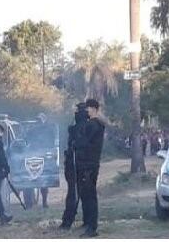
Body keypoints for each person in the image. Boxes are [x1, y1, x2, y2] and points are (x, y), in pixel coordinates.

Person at [74, 99, 105, 238]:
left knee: (90, 196)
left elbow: (83, 142)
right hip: (86, 163)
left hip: (89, 165)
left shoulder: (94, 125)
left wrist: (79, 131)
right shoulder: (92, 124)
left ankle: (92, 228)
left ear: (93, 109)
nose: (85, 111)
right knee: (85, 195)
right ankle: (88, 222)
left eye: (87, 108)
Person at [59, 102, 87, 230]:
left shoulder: (81, 128)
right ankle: (80, 221)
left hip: (79, 165)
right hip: (78, 165)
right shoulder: (80, 128)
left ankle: (68, 221)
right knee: (81, 194)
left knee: (75, 194)